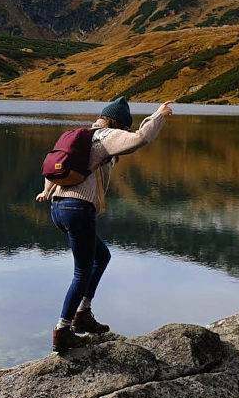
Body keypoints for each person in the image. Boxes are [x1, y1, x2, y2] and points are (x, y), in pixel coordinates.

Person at [36, 96, 172, 353]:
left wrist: (46, 191)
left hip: (59, 208)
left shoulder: (82, 136)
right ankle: (63, 330)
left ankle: (83, 314)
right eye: (126, 127)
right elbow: (140, 139)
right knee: (82, 272)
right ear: (119, 123)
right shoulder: (107, 135)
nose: (126, 132)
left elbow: (55, 167)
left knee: (102, 256)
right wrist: (158, 115)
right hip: (77, 210)